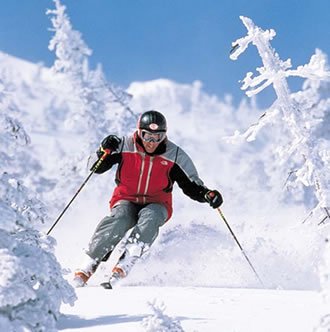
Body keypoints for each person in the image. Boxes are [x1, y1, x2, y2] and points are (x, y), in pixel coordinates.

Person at [73, 110, 223, 288]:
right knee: (119, 219)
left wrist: (207, 195)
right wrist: (103, 150)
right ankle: (88, 265)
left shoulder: (174, 155)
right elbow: (94, 168)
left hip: (158, 202)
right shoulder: (124, 145)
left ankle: (125, 262)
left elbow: (191, 184)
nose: (152, 142)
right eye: (147, 136)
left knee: (150, 219)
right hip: (126, 198)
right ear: (139, 132)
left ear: (164, 136)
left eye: (158, 137)